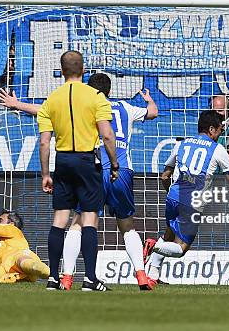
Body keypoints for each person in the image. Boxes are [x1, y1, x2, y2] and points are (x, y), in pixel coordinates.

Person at [59, 73, 158, 291]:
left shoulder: (85, 106)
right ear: (110, 91)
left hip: (94, 169)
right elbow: (153, 112)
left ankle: (66, 277)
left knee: (77, 224)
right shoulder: (125, 107)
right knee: (127, 226)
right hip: (122, 170)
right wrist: (149, 99)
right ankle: (141, 275)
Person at [144, 110, 229, 285]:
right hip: (192, 202)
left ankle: (153, 275)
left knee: (169, 233)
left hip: (173, 196)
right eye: (219, 129)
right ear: (211, 129)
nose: (221, 132)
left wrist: (170, 193)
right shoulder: (217, 149)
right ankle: (152, 245)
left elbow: (165, 176)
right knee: (181, 249)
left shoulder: (181, 144)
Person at [37, 51, 119, 291]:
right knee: (90, 218)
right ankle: (90, 279)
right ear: (83, 70)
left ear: (62, 71)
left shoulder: (51, 99)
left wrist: (45, 174)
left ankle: (53, 278)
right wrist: (114, 164)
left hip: (62, 160)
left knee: (60, 220)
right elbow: (106, 135)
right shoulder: (95, 97)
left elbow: (44, 142)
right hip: (86, 161)